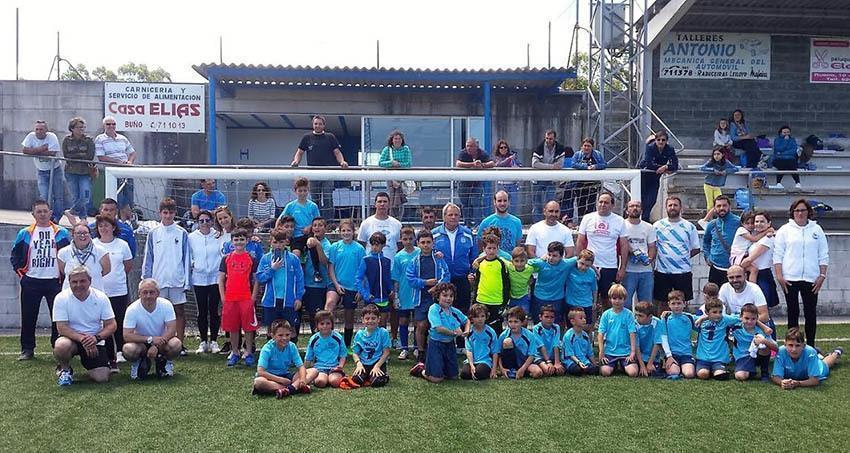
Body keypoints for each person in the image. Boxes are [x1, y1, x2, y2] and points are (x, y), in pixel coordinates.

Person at [11, 199, 70, 360]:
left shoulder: (61, 232)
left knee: (58, 316)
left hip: (54, 281)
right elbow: (15, 254)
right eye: (39, 211)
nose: (43, 214)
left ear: (51, 213)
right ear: (33, 214)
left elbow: (68, 255)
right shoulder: (25, 233)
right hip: (31, 280)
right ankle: (27, 349)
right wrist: (21, 273)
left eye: (45, 211)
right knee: (28, 316)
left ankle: (57, 346)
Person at [773, 199, 829, 347]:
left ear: (808, 212)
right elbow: (778, 254)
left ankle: (810, 346)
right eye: (797, 210)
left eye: (803, 210)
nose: (800, 213)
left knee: (810, 313)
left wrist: (822, 275)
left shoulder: (817, 230)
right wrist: (779, 276)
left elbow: (823, 254)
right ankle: (793, 345)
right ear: (792, 212)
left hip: (811, 278)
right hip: (790, 278)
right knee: (793, 312)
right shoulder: (785, 230)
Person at [52, 266, 116, 386]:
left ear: (90, 281)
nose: (78, 285)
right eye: (74, 282)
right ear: (69, 282)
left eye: (82, 281)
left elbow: (111, 325)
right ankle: (65, 370)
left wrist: (95, 338)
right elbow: (61, 327)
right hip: (72, 339)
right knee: (61, 346)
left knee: (102, 378)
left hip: (94, 340)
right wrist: (83, 339)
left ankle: (94, 366)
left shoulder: (101, 297)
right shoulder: (61, 298)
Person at [142, 198, 191, 352]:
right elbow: (148, 256)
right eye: (165, 213)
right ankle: (159, 343)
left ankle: (180, 344)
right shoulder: (153, 233)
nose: (168, 216)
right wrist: (146, 280)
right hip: (158, 281)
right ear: (160, 213)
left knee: (179, 311)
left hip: (177, 280)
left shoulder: (182, 233)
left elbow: (186, 258)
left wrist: (186, 282)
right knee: (159, 313)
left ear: (175, 213)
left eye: (171, 213)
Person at [432, 203, 477, 351]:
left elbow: (474, 258)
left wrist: (472, 273)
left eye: (456, 214)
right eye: (450, 214)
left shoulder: (468, 234)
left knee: (462, 311)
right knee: (443, 310)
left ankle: (462, 344)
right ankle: (443, 341)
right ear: (444, 216)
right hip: (442, 281)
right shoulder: (434, 234)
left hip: (461, 278)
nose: (453, 217)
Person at [92, 215, 133, 370]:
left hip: (119, 290)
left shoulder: (122, 245)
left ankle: (121, 350)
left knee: (120, 321)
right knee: (105, 324)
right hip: (100, 292)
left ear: (113, 227)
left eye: (107, 225)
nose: (104, 228)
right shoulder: (93, 245)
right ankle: (109, 356)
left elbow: (127, 265)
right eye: (100, 226)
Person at [576, 192, 628, 311]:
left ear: (612, 205)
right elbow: (580, 241)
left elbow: (624, 245)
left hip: (609, 266)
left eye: (606, 202)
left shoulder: (619, 220)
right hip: (589, 266)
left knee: (608, 299)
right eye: (600, 202)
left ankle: (607, 326)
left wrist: (622, 267)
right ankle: (590, 328)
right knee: (589, 299)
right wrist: (579, 262)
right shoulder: (587, 218)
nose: (602, 204)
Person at [122, 279, 183, 380]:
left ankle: (166, 362)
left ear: (158, 293)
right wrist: (150, 339)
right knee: (128, 349)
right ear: (139, 294)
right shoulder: (132, 309)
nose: (148, 296)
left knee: (176, 344)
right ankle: (138, 362)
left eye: (152, 292)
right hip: (141, 343)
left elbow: (172, 330)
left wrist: (156, 345)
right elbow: (127, 335)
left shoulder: (166, 305)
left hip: (163, 341)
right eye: (145, 292)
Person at [409, 282, 470, 383]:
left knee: (453, 377)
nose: (448, 298)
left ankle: (440, 369)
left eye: (451, 296)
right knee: (437, 379)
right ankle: (421, 370)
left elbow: (467, 320)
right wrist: (455, 333)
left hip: (450, 344)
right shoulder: (434, 309)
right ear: (438, 297)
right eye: (445, 295)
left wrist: (466, 331)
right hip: (436, 344)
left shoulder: (454, 311)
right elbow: (438, 328)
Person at [290, 114, 348, 219]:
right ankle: (314, 221)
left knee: (327, 198)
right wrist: (296, 161)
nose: (317, 126)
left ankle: (329, 223)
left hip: (328, 174)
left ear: (324, 125)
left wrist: (342, 162)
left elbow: (337, 152)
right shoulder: (307, 137)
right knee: (314, 199)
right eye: (315, 124)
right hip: (312, 174)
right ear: (313, 124)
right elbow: (299, 152)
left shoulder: (330, 137)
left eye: (320, 124)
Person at [407, 230, 450, 363]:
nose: (426, 245)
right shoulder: (414, 261)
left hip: (437, 299)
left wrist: (437, 287)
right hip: (421, 298)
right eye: (423, 242)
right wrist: (425, 282)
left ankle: (440, 350)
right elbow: (410, 279)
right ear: (418, 244)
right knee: (421, 325)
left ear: (433, 243)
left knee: (438, 324)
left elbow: (446, 274)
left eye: (428, 242)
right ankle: (420, 352)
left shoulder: (438, 259)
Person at [219, 228, 259, 367]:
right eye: (236, 239)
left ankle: (248, 352)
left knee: (248, 328)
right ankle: (235, 352)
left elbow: (256, 280)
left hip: (246, 298)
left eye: (242, 239)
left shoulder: (252, 259)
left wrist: (253, 297)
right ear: (231, 242)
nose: (239, 242)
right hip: (230, 299)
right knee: (233, 328)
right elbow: (221, 280)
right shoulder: (226, 259)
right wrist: (223, 297)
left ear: (247, 241)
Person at [257, 229, 305, 342]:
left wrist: (298, 297)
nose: (278, 245)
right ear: (270, 242)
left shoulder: (293, 259)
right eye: (275, 242)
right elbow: (260, 278)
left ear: (286, 242)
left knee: (290, 327)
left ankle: (291, 353)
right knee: (271, 327)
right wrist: (272, 269)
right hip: (270, 300)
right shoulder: (266, 259)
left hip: (289, 300)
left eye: (281, 242)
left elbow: (300, 279)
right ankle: (271, 354)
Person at [653, 196, 701, 309]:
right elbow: (653, 247)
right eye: (670, 205)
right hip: (662, 271)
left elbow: (696, 248)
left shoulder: (689, 227)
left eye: (675, 205)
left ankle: (684, 325)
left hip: (683, 272)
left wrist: (681, 257)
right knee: (662, 303)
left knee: (683, 304)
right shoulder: (657, 226)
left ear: (681, 208)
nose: (672, 207)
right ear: (666, 208)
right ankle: (663, 326)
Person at [325, 219, 366, 348]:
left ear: (353, 232)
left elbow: (363, 270)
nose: (346, 233)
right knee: (329, 304)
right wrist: (336, 285)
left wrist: (360, 289)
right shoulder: (335, 247)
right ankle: (327, 339)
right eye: (343, 230)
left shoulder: (359, 249)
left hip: (353, 287)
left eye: (349, 230)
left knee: (349, 317)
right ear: (339, 232)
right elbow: (330, 267)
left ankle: (346, 345)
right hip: (337, 284)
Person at [189, 210, 223, 354]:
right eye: (201, 221)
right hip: (199, 279)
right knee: (201, 311)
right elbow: (189, 255)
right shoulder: (191, 237)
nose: (204, 223)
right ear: (197, 222)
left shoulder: (218, 235)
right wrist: (194, 265)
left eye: (207, 220)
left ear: (211, 221)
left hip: (215, 278)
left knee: (214, 310)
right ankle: (203, 341)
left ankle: (214, 341)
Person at [252, 319, 310, 398]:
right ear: (272, 336)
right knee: (258, 382)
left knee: (313, 371)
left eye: (287, 335)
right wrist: (281, 380)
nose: (284, 338)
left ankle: (288, 389)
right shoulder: (267, 349)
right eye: (280, 335)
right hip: (270, 377)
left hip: (285, 375)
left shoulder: (292, 346)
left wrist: (303, 379)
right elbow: (260, 372)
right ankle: (293, 388)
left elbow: (301, 366)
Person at [771, 328, 843, 390]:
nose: (794, 349)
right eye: (790, 345)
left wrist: (798, 383)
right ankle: (818, 352)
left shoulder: (810, 352)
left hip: (810, 369)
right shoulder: (780, 351)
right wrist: (781, 382)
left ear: (804, 346)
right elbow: (775, 376)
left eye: (797, 345)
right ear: (785, 344)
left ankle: (836, 353)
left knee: (826, 364)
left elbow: (815, 380)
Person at [21, 120, 64, 223]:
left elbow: (52, 153)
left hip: (55, 169)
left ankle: (56, 218)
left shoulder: (52, 137)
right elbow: (25, 150)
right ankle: (47, 217)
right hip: (41, 170)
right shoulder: (31, 136)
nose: (39, 131)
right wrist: (42, 148)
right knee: (44, 196)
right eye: (37, 129)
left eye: (41, 129)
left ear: (46, 130)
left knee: (58, 196)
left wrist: (34, 151)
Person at [95, 116, 137, 214]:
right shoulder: (100, 139)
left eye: (113, 124)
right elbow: (101, 157)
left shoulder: (122, 138)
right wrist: (118, 162)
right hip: (112, 173)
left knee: (129, 197)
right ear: (104, 126)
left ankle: (129, 219)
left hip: (126, 171)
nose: (111, 126)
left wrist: (130, 162)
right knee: (118, 198)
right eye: (108, 124)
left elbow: (133, 153)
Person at [469, 235, 510, 334]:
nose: (491, 251)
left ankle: (496, 349)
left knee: (496, 329)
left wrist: (505, 302)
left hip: (496, 302)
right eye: (489, 248)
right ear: (484, 249)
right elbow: (477, 282)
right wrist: (475, 300)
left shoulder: (502, 263)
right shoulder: (480, 263)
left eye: (494, 248)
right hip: (481, 300)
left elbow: (506, 284)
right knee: (480, 328)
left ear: (498, 248)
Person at [740, 211, 780, 311]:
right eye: (756, 221)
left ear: (769, 223)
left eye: (762, 221)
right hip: (753, 274)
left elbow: (749, 260)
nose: (758, 224)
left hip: (762, 275)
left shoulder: (768, 239)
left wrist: (739, 266)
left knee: (761, 308)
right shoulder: (759, 237)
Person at [597, 284, 639, 377]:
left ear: (624, 299)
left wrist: (632, 352)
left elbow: (632, 333)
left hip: (625, 352)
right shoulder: (606, 314)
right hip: (609, 351)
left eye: (620, 298)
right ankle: (613, 365)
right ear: (610, 299)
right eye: (614, 298)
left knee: (633, 373)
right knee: (605, 372)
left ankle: (624, 365)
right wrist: (601, 352)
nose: (617, 301)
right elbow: (600, 334)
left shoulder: (629, 314)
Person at [61, 117, 96, 226]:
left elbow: (89, 156)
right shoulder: (67, 140)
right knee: (75, 196)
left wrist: (76, 156)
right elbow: (67, 156)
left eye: (83, 127)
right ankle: (83, 218)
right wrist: (80, 156)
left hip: (85, 172)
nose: (82, 129)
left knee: (85, 196)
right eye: (79, 127)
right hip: (71, 172)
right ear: (72, 128)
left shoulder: (88, 140)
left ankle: (71, 212)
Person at [57, 222, 110, 291]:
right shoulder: (63, 252)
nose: (82, 235)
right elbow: (63, 271)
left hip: (95, 291)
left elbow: (106, 270)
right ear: (72, 235)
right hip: (70, 293)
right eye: (78, 233)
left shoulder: (101, 251)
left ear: (90, 235)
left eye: (85, 233)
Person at [730, 303, 777, 381]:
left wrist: (764, 341)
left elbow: (775, 348)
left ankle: (764, 373)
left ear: (757, 319)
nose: (749, 321)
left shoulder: (761, 330)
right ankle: (750, 371)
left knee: (765, 347)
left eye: (753, 319)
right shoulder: (735, 326)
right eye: (747, 318)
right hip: (743, 356)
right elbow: (724, 318)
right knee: (740, 376)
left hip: (758, 355)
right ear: (741, 317)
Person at [638, 131, 678, 222]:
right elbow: (649, 164)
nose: (660, 142)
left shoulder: (670, 149)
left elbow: (675, 165)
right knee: (642, 199)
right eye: (658, 140)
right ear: (655, 140)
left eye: (663, 140)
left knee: (652, 200)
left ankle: (645, 218)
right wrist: (662, 168)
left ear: (666, 141)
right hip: (645, 176)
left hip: (655, 178)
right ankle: (642, 218)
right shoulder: (650, 148)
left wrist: (665, 167)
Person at [694, 297, 738, 380]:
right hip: (703, 358)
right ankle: (709, 370)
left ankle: (718, 370)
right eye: (714, 312)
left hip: (719, 358)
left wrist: (705, 317)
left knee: (720, 375)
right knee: (703, 374)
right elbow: (683, 315)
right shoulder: (700, 321)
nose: (718, 315)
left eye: (720, 312)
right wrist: (669, 312)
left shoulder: (725, 320)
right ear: (707, 312)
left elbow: (741, 317)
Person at [623, 200, 656, 309]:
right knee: (625, 303)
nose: (634, 208)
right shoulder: (622, 225)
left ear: (641, 210)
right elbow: (621, 245)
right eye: (631, 206)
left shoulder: (648, 227)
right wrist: (632, 252)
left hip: (645, 272)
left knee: (646, 305)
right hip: (628, 271)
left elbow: (652, 247)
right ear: (627, 210)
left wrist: (649, 260)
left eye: (637, 206)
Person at [356, 232, 394, 328]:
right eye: (372, 244)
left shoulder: (387, 261)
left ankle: (382, 343)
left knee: (383, 324)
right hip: (371, 298)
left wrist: (391, 290)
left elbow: (388, 278)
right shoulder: (366, 260)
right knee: (370, 325)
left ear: (383, 245)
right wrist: (365, 294)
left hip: (384, 298)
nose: (374, 247)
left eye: (377, 244)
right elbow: (359, 278)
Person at [495, 307, 545, 380]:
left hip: (525, 362)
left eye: (516, 322)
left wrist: (523, 368)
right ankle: (511, 371)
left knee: (537, 372)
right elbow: (498, 353)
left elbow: (532, 355)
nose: (512, 324)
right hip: (509, 362)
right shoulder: (504, 335)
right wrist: (501, 368)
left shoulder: (529, 335)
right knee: (507, 341)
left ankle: (520, 372)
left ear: (522, 322)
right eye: (510, 321)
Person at [455, 138, 495, 227]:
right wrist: (473, 165)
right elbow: (458, 164)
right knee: (465, 204)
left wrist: (482, 165)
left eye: (471, 146)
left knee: (477, 204)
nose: (469, 148)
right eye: (467, 146)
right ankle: (467, 224)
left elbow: (492, 163)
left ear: (476, 146)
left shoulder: (482, 153)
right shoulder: (463, 153)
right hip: (464, 183)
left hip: (477, 183)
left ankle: (478, 225)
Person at [528, 242, 571, 324]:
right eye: (549, 254)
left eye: (554, 256)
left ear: (561, 256)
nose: (551, 258)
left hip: (557, 300)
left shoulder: (566, 264)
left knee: (556, 324)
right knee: (538, 323)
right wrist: (541, 258)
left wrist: (594, 269)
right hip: (540, 298)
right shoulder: (541, 263)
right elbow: (526, 262)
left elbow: (580, 259)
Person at [702, 195, 740, 287]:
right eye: (718, 206)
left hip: (734, 270)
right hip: (715, 268)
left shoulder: (739, 222)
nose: (721, 208)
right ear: (714, 208)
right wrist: (707, 256)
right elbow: (706, 242)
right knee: (714, 299)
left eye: (724, 205)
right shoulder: (712, 224)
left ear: (729, 207)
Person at [304, 310, 348, 389]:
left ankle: (333, 377)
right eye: (322, 324)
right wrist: (304, 372)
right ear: (317, 325)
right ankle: (322, 378)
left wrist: (340, 366)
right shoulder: (314, 339)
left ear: (332, 324)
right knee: (320, 382)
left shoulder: (338, 337)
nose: (325, 326)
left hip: (334, 367)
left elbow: (343, 355)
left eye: (328, 323)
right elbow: (308, 358)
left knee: (335, 382)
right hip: (319, 368)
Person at [392, 226, 418, 359]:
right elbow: (396, 278)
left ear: (414, 238)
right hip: (404, 293)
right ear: (401, 240)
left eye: (410, 238)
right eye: (405, 239)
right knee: (403, 321)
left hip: (417, 293)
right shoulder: (398, 257)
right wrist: (396, 295)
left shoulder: (420, 252)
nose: (408, 241)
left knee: (418, 321)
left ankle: (417, 347)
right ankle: (404, 348)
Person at [302, 217, 331, 333]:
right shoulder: (307, 241)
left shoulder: (327, 245)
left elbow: (325, 262)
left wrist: (318, 246)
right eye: (315, 225)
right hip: (307, 282)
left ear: (325, 228)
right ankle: (315, 337)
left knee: (319, 315)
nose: (317, 227)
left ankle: (321, 336)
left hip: (320, 285)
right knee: (311, 314)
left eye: (320, 225)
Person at [351, 304, 391, 387]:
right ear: (363, 320)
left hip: (377, 362)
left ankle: (382, 375)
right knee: (357, 379)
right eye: (367, 318)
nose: (370, 321)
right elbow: (355, 353)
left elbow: (386, 353)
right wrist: (358, 364)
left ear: (378, 319)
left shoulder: (383, 333)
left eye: (373, 318)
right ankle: (368, 375)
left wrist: (377, 366)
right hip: (364, 363)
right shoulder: (359, 334)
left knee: (377, 382)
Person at [531, 130, 568, 222]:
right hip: (537, 180)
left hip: (552, 180)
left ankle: (549, 223)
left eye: (550, 139)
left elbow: (560, 165)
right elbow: (535, 164)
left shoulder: (560, 148)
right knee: (537, 205)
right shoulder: (539, 147)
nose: (548, 140)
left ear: (554, 139)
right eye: (546, 138)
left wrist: (544, 166)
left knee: (551, 204)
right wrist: (551, 166)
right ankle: (537, 224)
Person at [698, 146, 738, 229]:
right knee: (710, 204)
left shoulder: (726, 162)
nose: (716, 156)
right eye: (715, 154)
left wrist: (726, 171)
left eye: (718, 154)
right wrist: (712, 170)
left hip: (717, 186)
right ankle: (707, 221)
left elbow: (735, 169)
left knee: (719, 203)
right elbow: (702, 168)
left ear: (722, 155)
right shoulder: (711, 162)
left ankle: (709, 220)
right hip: (708, 185)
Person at [659, 290, 697, 379]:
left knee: (689, 374)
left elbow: (704, 321)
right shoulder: (666, 318)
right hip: (672, 354)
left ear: (684, 304)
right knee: (673, 372)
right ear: (669, 304)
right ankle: (670, 365)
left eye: (679, 303)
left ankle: (687, 365)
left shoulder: (689, 317)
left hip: (686, 353)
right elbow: (663, 339)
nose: (676, 306)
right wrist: (669, 356)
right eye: (673, 303)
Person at [357, 192, 402, 261]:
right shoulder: (366, 223)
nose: (382, 204)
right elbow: (361, 247)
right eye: (379, 201)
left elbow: (400, 247)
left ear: (389, 204)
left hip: (391, 265)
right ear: (375, 204)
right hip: (372, 265)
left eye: (385, 201)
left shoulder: (397, 224)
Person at [378, 130, 413, 219]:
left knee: (400, 198)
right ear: (392, 140)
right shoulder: (387, 149)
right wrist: (391, 163)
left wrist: (399, 164)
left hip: (402, 177)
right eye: (395, 138)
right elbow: (380, 163)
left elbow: (408, 163)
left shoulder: (406, 149)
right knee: (391, 196)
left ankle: (399, 219)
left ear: (402, 140)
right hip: (390, 178)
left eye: (399, 139)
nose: (397, 140)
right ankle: (390, 217)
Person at [460, 303, 499, 380]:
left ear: (486, 317)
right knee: (464, 374)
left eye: (482, 316)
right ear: (471, 318)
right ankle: (472, 369)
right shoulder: (469, 332)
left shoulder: (490, 332)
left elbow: (495, 352)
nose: (480, 319)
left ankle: (486, 370)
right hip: (471, 360)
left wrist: (494, 369)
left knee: (479, 373)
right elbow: (469, 350)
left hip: (485, 361)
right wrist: (471, 365)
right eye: (477, 317)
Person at [563, 250, 598, 332]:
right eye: (581, 263)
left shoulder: (591, 273)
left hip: (586, 303)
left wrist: (594, 302)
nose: (583, 267)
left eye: (587, 265)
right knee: (571, 328)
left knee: (586, 327)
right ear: (577, 260)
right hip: (571, 303)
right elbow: (563, 262)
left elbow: (594, 289)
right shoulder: (570, 270)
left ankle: (586, 343)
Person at [572, 138, 607, 217]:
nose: (586, 148)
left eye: (588, 146)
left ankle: (591, 221)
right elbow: (573, 164)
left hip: (593, 183)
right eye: (585, 146)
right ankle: (581, 221)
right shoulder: (578, 154)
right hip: (580, 183)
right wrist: (585, 167)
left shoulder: (597, 154)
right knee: (581, 204)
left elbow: (604, 164)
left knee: (591, 204)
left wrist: (596, 166)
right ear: (581, 146)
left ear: (592, 147)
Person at [562, 308, 598, 376]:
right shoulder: (568, 335)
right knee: (576, 370)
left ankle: (585, 369)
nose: (584, 320)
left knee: (595, 369)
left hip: (583, 360)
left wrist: (595, 364)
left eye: (584, 318)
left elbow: (589, 353)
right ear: (572, 321)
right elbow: (570, 354)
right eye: (581, 318)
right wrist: (578, 362)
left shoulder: (585, 335)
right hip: (571, 361)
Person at [532, 305, 566, 376]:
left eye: (552, 317)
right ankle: (537, 367)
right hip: (540, 356)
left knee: (560, 371)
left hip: (552, 356)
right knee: (548, 371)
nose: (549, 319)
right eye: (546, 317)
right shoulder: (536, 328)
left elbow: (556, 345)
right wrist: (548, 361)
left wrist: (557, 363)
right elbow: (541, 346)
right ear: (540, 317)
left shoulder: (556, 327)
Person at [633, 302, 663, 377]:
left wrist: (650, 363)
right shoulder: (634, 323)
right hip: (639, 356)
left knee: (652, 371)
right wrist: (642, 365)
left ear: (650, 316)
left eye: (640, 316)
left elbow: (657, 343)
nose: (637, 318)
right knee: (635, 371)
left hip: (653, 357)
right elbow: (636, 345)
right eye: (636, 315)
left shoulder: (657, 322)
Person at [769, 125, 801, 190]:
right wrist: (786, 142)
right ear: (781, 133)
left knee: (791, 163)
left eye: (788, 132)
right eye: (784, 132)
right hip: (778, 159)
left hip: (790, 158)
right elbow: (778, 148)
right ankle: (778, 183)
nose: (786, 134)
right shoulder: (777, 140)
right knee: (782, 163)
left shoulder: (793, 140)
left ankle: (797, 183)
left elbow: (793, 150)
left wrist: (782, 153)